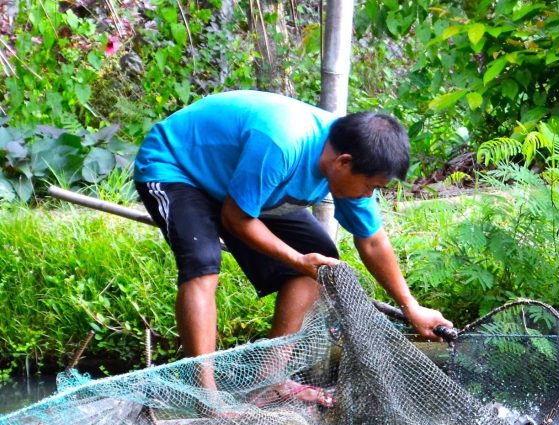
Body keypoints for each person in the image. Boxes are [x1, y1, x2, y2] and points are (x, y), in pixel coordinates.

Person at [133, 89, 452, 406]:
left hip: (242, 186)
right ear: (343, 162)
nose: (369, 194)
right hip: (179, 168)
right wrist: (297, 259)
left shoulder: (351, 167)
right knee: (202, 261)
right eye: (370, 186)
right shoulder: (282, 143)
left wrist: (411, 306)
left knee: (320, 261)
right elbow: (235, 218)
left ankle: (267, 382)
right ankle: (207, 397)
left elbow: (372, 240)